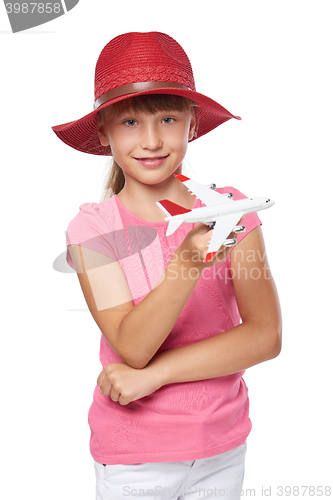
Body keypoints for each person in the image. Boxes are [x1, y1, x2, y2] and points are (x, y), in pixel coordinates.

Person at [52, 31, 282, 500]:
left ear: (192, 124)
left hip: (222, 446)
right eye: (131, 122)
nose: (152, 140)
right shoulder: (93, 230)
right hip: (135, 459)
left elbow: (265, 336)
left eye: (168, 118)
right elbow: (133, 347)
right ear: (104, 133)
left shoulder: (232, 211)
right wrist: (187, 263)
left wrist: (153, 377)